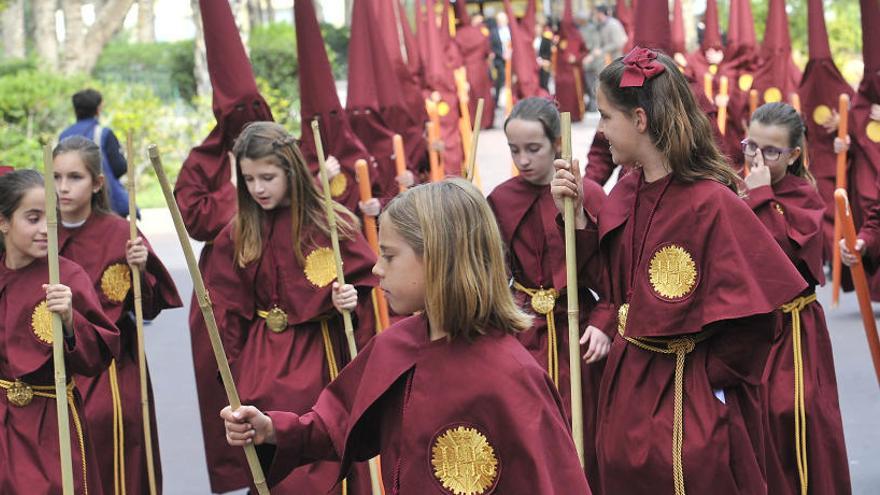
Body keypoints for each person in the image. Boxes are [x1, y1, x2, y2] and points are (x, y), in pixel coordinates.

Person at [221, 177, 593, 493]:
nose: (376, 268)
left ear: (438, 258)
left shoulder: (514, 377)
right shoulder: (393, 346)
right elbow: (336, 422)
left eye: (390, 255)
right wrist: (273, 430)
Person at [551, 48, 807, 494]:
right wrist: (575, 223)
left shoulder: (712, 203)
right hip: (628, 386)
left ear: (640, 119)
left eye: (606, 117)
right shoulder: (626, 192)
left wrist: (709, 385)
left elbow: (760, 318)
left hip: (688, 398)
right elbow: (611, 288)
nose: (601, 131)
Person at [207, 122, 378, 494]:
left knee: (323, 458)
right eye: (249, 179)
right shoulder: (238, 233)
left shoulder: (332, 224)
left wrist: (349, 300)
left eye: (267, 177)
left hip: (320, 358)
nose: (258, 189)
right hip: (262, 365)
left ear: (291, 170)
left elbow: (371, 288)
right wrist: (235, 372)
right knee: (273, 471)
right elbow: (224, 308)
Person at [488, 96, 609, 487]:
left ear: (557, 143)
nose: (523, 159)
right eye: (514, 150)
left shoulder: (589, 193)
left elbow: (613, 271)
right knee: (527, 430)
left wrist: (605, 321)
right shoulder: (500, 200)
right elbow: (491, 271)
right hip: (524, 332)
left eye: (533, 149)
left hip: (578, 332)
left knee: (584, 428)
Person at [53, 136, 183, 495]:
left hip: (112, 366)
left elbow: (151, 304)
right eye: (57, 177)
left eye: (75, 177)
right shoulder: (40, 233)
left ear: (97, 183)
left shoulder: (119, 233)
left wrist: (141, 270)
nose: (63, 187)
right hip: (54, 363)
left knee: (116, 445)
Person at [742, 102, 851, 495]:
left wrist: (761, 197)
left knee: (793, 413)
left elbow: (780, 264)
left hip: (791, 329)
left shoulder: (803, 195)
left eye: (771, 151)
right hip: (749, 327)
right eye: (751, 146)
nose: (757, 158)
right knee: (751, 420)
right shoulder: (742, 187)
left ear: (794, 154)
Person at [0, 169, 119, 493]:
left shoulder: (67, 275)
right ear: (4, 222)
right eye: (33, 218)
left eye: (50, 219)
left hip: (51, 420)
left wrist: (70, 319)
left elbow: (97, 358)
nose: (44, 230)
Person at [59, 88, 131, 217]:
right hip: (105, 201)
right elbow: (120, 167)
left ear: (75, 110)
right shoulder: (103, 133)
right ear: (98, 109)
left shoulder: (63, 135)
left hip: (72, 202)